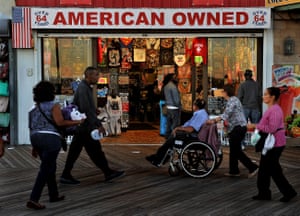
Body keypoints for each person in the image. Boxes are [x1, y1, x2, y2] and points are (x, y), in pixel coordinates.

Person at [60, 67, 125, 185]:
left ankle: (66, 174)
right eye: (95, 75)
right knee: (94, 151)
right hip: (85, 126)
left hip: (83, 126)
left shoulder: (86, 88)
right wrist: (97, 124)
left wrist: (93, 110)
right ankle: (107, 172)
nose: (98, 77)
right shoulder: (84, 88)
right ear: (88, 75)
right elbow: (85, 109)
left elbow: (86, 107)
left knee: (77, 151)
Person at [27, 81, 83, 210]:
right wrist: (78, 121)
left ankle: (54, 194)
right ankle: (33, 198)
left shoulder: (33, 109)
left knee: (50, 165)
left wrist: (34, 147)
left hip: (35, 138)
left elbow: (32, 127)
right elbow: (60, 122)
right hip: (50, 138)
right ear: (51, 93)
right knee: (46, 168)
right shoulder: (54, 106)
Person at [249, 87, 297, 202]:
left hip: (275, 144)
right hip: (273, 143)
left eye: (266, 94)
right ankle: (265, 193)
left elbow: (272, 128)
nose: (263, 96)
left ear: (272, 97)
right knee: (266, 169)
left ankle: (286, 192)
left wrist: (255, 126)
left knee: (272, 170)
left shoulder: (274, 110)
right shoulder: (272, 109)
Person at [209, 84, 258, 178]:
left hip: (238, 128)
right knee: (234, 150)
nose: (222, 93)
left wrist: (213, 120)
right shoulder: (232, 100)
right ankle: (234, 171)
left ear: (226, 92)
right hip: (236, 128)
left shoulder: (233, 100)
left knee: (236, 151)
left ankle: (253, 167)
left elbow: (226, 114)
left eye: (223, 91)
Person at [146, 98, 208, 167]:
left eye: (193, 105)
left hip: (192, 137)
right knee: (171, 139)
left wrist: (179, 128)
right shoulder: (201, 113)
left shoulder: (200, 115)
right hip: (192, 135)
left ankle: (158, 158)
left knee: (171, 140)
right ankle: (160, 157)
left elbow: (191, 129)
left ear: (196, 106)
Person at [163, 73, 181, 138]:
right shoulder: (173, 87)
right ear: (172, 78)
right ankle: (172, 137)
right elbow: (176, 99)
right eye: (175, 77)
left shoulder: (166, 86)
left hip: (168, 107)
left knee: (168, 124)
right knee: (174, 124)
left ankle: (167, 136)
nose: (177, 78)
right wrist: (179, 105)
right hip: (174, 108)